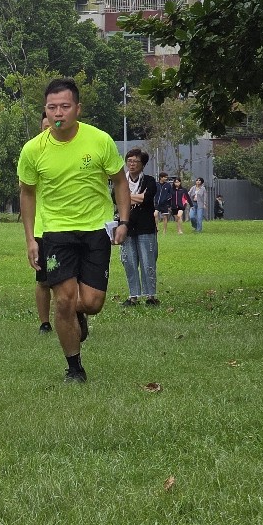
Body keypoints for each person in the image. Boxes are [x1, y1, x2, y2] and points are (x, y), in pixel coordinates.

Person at [17, 77, 129, 384]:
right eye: (52, 107)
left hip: (95, 229)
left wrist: (123, 221)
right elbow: (27, 193)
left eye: (65, 106)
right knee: (64, 300)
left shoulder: (100, 140)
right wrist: (31, 239)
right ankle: (75, 368)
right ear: (45, 110)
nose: (58, 113)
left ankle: (79, 313)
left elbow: (120, 181)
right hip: (56, 232)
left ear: (77, 109)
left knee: (91, 303)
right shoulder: (33, 149)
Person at [118, 148, 160, 307]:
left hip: (146, 226)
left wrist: (126, 198)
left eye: (136, 161)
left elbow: (147, 198)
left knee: (148, 261)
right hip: (127, 226)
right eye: (129, 161)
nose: (132, 164)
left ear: (143, 164)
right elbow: (116, 198)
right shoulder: (121, 181)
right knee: (129, 261)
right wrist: (136, 198)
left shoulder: (149, 181)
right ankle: (133, 296)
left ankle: (151, 295)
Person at [32, 115, 53, 333]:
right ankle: (45, 322)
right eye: (45, 127)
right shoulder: (33, 153)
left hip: (69, 226)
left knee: (71, 280)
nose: (48, 131)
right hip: (42, 228)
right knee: (43, 280)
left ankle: (75, 316)